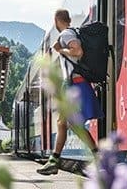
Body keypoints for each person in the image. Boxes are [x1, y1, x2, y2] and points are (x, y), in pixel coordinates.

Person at [37, 9, 103, 175]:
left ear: (56, 20)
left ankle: (56, 162)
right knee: (68, 124)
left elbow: (77, 51)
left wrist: (60, 50)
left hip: (75, 85)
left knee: (66, 124)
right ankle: (92, 157)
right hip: (74, 84)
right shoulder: (71, 32)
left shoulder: (66, 34)